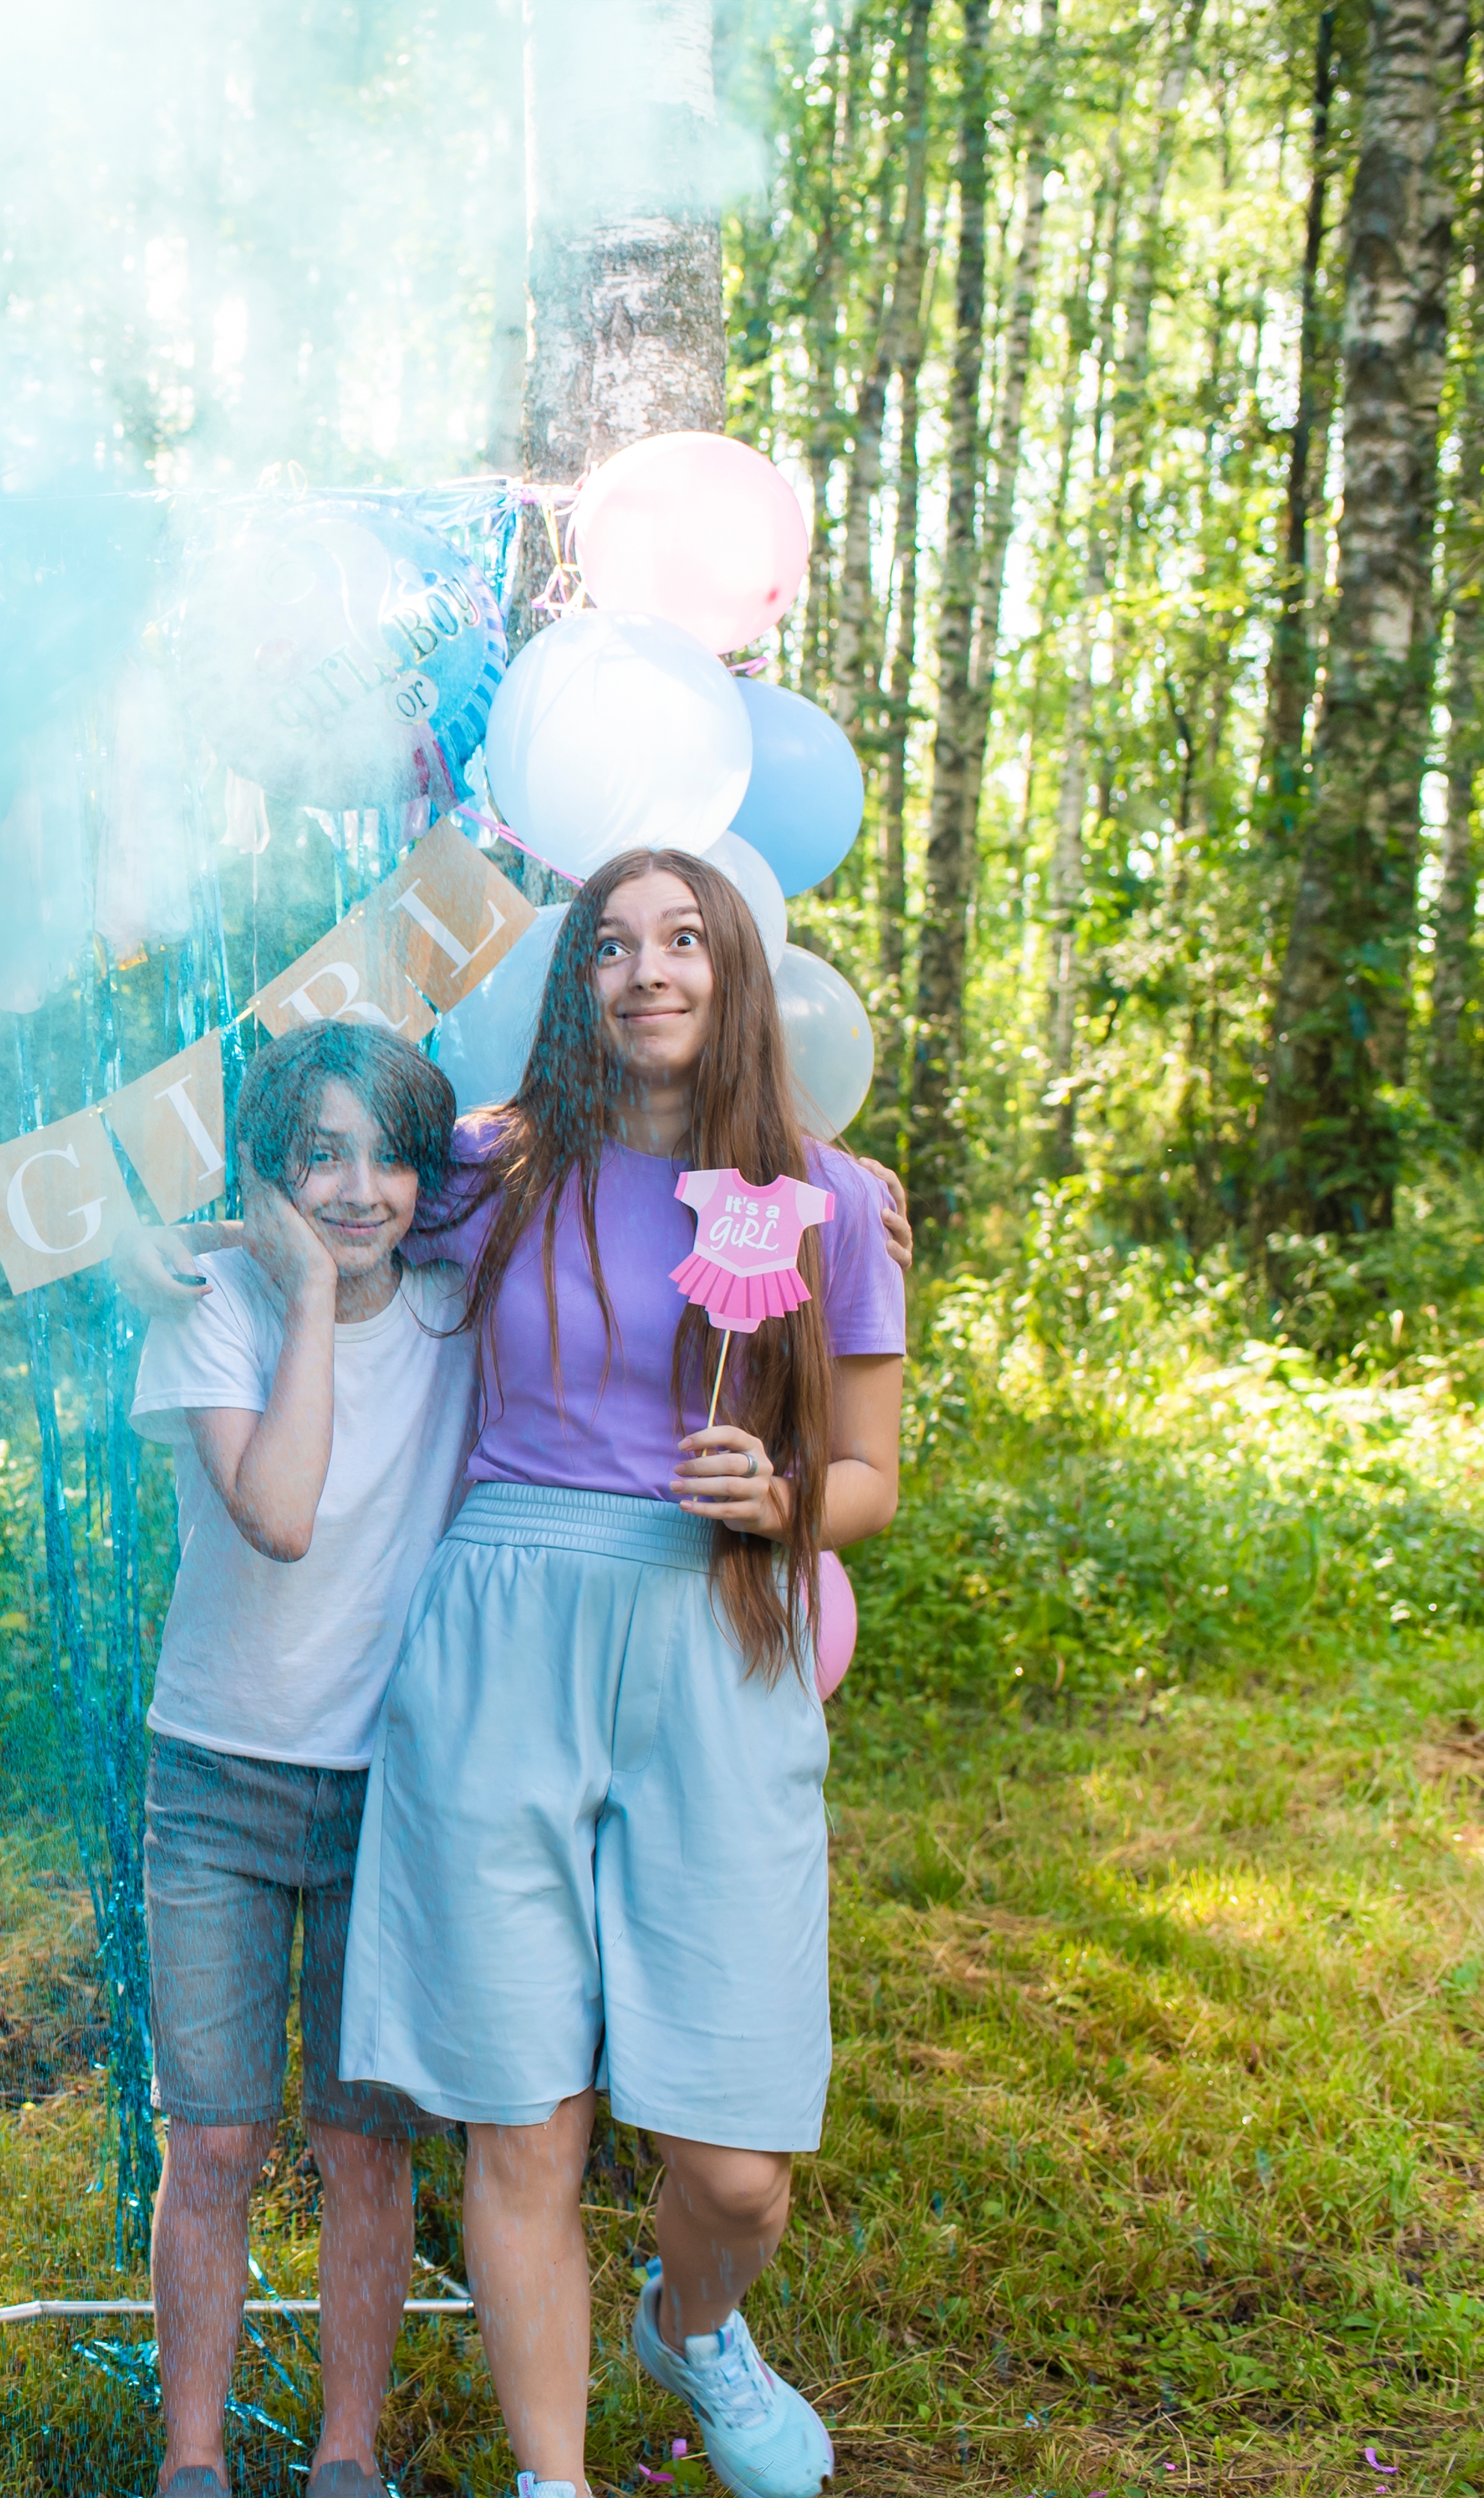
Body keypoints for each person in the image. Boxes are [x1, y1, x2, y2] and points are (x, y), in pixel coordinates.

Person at [338, 849, 908, 2498]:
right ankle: (552, 2476)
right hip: (504, 1627)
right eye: (607, 945)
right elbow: (310, 1188)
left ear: (733, 974)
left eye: (680, 941)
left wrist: (790, 1497)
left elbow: (871, 1470)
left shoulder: (827, 1201)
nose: (645, 969)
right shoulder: (488, 1168)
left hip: (717, 1633)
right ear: (570, 984)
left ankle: (695, 2321)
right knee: (523, 2116)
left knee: (733, 2168)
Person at [128, 1020, 474, 2498]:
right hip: (218, 1776)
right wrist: (304, 1301)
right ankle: (192, 2462)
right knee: (211, 2139)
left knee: (362, 2147)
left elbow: (602, 1200)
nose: (358, 1187)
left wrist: (838, 1200)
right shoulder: (210, 1307)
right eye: (320, 1155)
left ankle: (346, 2456)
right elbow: (277, 1509)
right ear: (270, 1177)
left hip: (392, 1787)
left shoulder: (465, 1313)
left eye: (390, 1154)